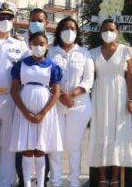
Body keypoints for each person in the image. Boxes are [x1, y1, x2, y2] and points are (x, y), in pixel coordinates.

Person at [0, 2, 28, 187]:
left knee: (8, 146)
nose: (5, 21)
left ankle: (5, 183)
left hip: (12, 99)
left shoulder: (21, 46)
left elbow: (27, 73)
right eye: (1, 18)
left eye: (9, 18)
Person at [88, 19, 132, 186]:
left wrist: (131, 99)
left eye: (111, 29)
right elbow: (89, 77)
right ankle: (102, 176)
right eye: (105, 29)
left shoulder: (125, 51)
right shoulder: (92, 52)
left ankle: (115, 177)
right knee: (100, 131)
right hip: (99, 94)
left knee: (118, 132)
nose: (108, 32)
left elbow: (130, 77)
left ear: (117, 32)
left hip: (120, 94)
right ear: (100, 32)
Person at [11, 32, 63, 187]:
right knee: (27, 149)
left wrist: (42, 113)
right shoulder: (21, 64)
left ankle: (40, 184)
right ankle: (26, 184)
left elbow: (56, 92)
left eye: (42, 44)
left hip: (44, 110)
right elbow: (13, 90)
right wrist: (25, 112)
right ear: (29, 45)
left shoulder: (52, 66)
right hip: (24, 107)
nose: (38, 47)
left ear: (47, 46)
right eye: (35, 43)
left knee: (40, 148)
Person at [50, 17, 94, 187]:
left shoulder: (85, 53)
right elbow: (46, 78)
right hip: (55, 104)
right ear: (59, 31)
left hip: (80, 105)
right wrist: (61, 95)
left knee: (74, 145)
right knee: (56, 145)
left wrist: (72, 95)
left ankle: (74, 181)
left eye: (73, 29)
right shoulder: (51, 52)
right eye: (66, 28)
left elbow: (88, 80)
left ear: (77, 33)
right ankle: (55, 181)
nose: (69, 32)